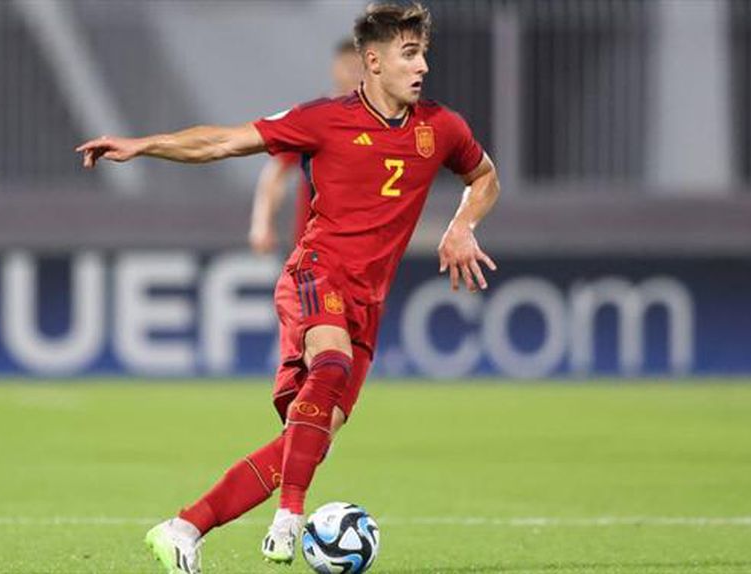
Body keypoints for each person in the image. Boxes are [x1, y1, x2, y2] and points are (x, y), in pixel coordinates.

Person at [75, 4, 500, 572]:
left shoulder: (441, 127)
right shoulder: (323, 119)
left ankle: (182, 529)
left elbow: (484, 176)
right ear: (374, 62)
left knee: (309, 441)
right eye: (409, 54)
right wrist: (144, 145)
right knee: (331, 365)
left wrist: (462, 225)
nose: (422, 65)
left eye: (423, 53)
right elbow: (222, 142)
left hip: (369, 301)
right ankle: (289, 516)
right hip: (315, 272)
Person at [249, 38, 364, 256]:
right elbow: (276, 171)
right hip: (314, 247)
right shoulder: (313, 118)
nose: (354, 74)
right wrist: (261, 222)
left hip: (361, 247)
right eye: (349, 67)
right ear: (336, 68)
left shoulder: (380, 122)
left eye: (359, 68)